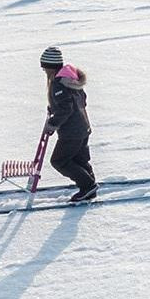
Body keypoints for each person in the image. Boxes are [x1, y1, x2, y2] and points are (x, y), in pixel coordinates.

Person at [40, 46, 97, 201]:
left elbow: (66, 108)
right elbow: (80, 100)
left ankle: (88, 186)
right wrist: (55, 107)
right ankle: (90, 185)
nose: (45, 72)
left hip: (72, 132)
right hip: (82, 127)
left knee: (59, 161)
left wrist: (52, 123)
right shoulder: (71, 80)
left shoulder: (59, 83)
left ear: (51, 67)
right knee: (80, 159)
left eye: (45, 69)